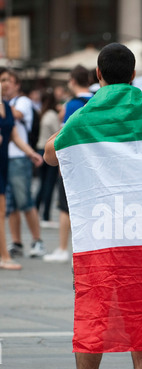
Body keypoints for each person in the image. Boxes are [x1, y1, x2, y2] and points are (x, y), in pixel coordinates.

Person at [44, 43, 142, 369]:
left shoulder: (87, 115)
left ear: (99, 76)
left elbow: (51, 155)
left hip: (98, 238)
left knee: (92, 312)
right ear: (134, 76)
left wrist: (73, 122)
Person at [43, 65, 93, 263]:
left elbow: (64, 139)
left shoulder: (72, 104)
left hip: (73, 163)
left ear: (72, 81)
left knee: (65, 208)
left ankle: (64, 248)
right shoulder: (96, 99)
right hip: (93, 164)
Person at [0, 69, 42, 270]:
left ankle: (36, 241)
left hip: (14, 160)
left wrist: (30, 153)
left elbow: (14, 131)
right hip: (6, 159)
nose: (4, 83)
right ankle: (12, 248)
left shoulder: (17, 103)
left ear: (16, 84)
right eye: (2, 80)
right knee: (9, 207)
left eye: (8, 80)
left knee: (23, 202)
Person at [35, 89, 61, 227]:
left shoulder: (42, 113)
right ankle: (45, 216)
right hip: (48, 150)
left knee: (42, 184)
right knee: (49, 185)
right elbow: (57, 133)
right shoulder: (51, 115)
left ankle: (36, 210)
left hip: (39, 148)